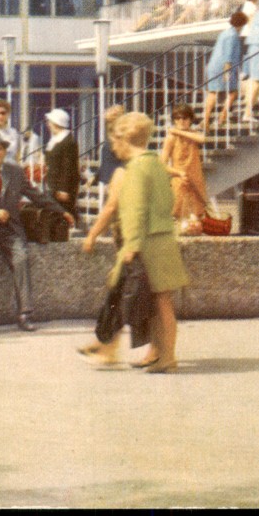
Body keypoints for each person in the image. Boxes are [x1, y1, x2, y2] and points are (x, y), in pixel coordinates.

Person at [0, 131, 74, 331]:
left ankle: (25, 313)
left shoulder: (15, 172)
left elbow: (36, 195)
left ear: (4, 151)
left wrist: (61, 211)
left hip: (9, 230)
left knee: (21, 258)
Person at [78, 113, 154, 369]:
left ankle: (152, 349)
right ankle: (107, 346)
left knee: (127, 296)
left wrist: (91, 234)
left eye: (114, 141)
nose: (111, 147)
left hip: (131, 242)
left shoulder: (125, 172)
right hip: (130, 241)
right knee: (119, 293)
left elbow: (111, 208)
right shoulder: (140, 166)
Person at [115, 112, 189, 373]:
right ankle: (164, 354)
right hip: (164, 239)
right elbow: (168, 200)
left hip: (147, 243)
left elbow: (134, 211)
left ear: (125, 139)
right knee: (163, 304)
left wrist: (131, 245)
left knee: (157, 305)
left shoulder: (136, 169)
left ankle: (166, 357)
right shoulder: (157, 164)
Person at [161, 103, 207, 231]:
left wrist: (178, 131)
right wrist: (178, 173)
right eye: (178, 118)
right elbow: (162, 164)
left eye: (185, 118)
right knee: (182, 223)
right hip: (180, 181)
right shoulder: (170, 138)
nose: (181, 121)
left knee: (196, 223)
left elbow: (202, 139)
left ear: (191, 120)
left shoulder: (192, 134)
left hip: (196, 180)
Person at [202, 11, 247, 133]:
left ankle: (206, 120)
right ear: (241, 24)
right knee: (233, 92)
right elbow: (228, 55)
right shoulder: (232, 36)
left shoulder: (225, 33)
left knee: (213, 92)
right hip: (223, 67)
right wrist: (227, 72)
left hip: (214, 65)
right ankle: (222, 116)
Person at [44, 108, 79, 218]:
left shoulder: (68, 141)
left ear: (56, 123)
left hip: (62, 187)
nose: (48, 125)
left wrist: (64, 189)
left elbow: (68, 167)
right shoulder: (56, 139)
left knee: (62, 215)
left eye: (49, 122)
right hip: (53, 183)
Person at [95, 104, 126, 189]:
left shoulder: (119, 137)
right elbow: (107, 161)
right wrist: (96, 176)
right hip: (108, 181)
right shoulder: (111, 136)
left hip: (115, 181)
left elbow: (122, 160)